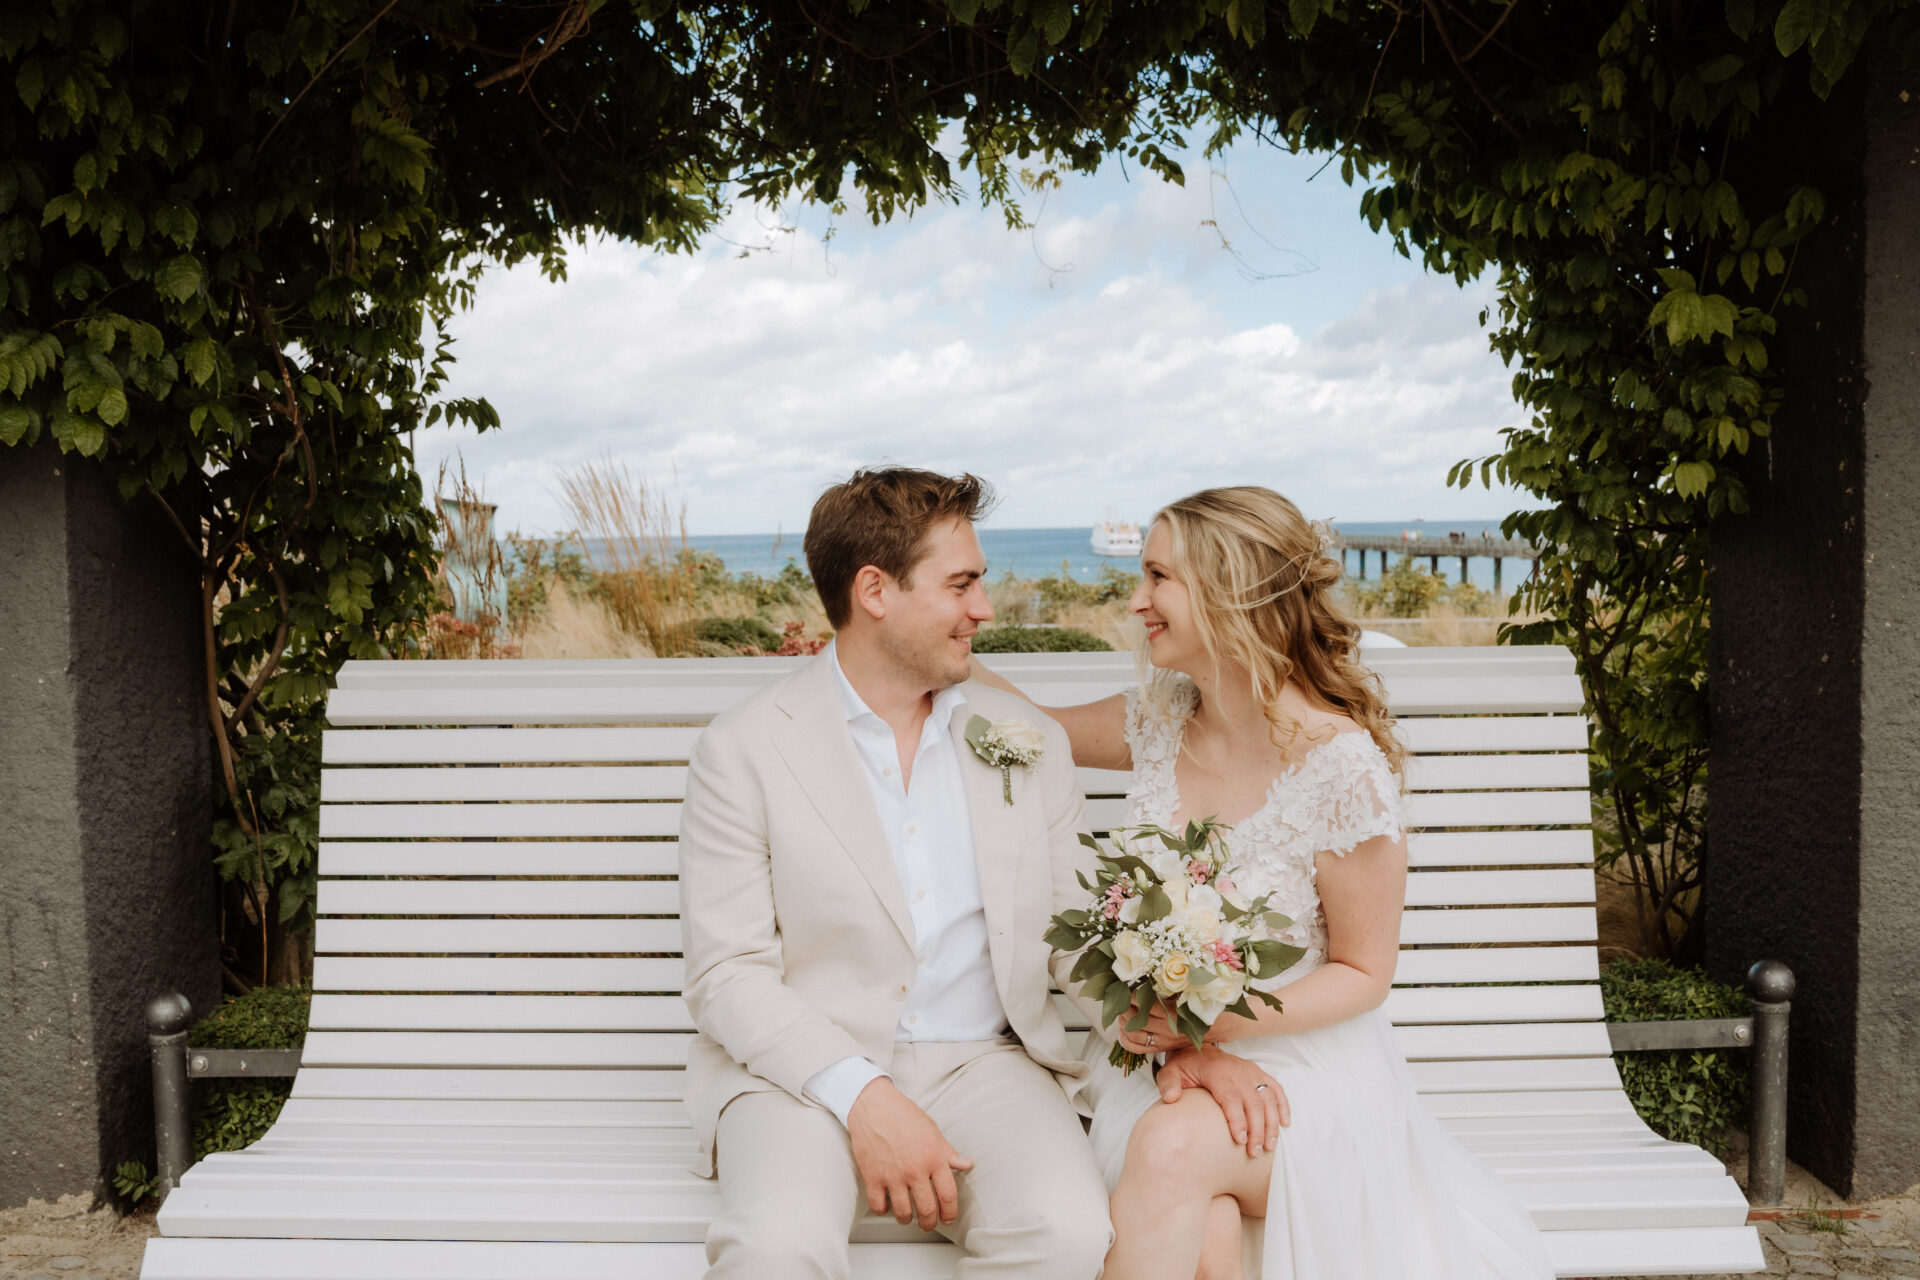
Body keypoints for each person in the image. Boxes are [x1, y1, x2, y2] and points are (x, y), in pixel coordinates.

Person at [677, 466, 1267, 1280]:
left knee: (1064, 1231)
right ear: (876, 591)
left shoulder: (1022, 736)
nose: (983, 609)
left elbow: (1072, 938)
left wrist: (1167, 1039)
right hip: (798, 1074)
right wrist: (865, 1096)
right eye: (962, 584)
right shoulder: (743, 748)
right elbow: (728, 976)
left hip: (987, 1068)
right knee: (775, 1247)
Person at [969, 485, 1555, 1280]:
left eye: (1157, 578)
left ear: (1230, 593)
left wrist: (1209, 1032)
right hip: (1159, 1065)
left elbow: (1363, 973)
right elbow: (1029, 723)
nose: (1137, 600)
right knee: (1202, 1219)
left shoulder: (1341, 766)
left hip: (1307, 1069)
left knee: (1175, 1152)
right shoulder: (1158, 721)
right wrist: (914, 651)